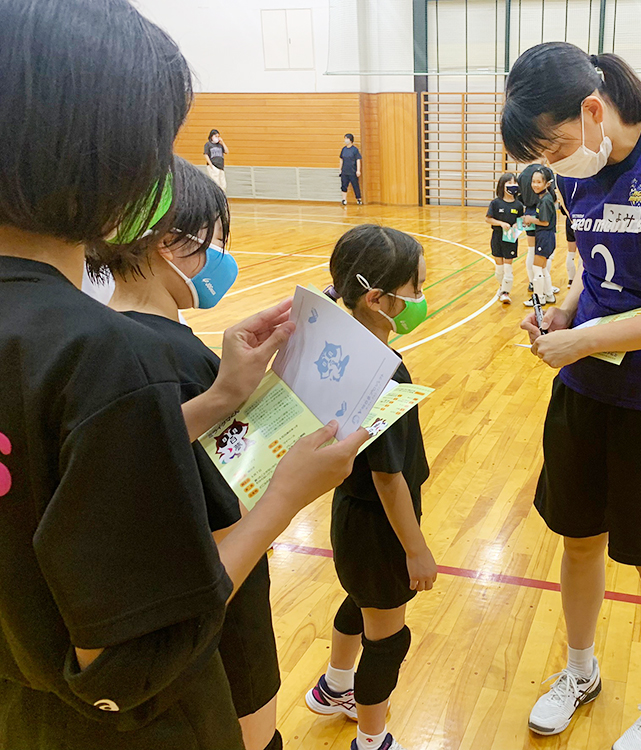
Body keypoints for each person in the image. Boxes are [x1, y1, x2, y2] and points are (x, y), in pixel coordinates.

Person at [0, 3, 367, 748]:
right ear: (102, 154)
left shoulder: (50, 340)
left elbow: (58, 472)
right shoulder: (100, 355)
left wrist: (220, 399)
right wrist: (286, 497)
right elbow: (123, 660)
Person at [502, 42, 641, 750]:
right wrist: (566, 314)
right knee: (577, 542)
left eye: (560, 143)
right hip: (585, 389)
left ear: (594, 110)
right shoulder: (576, 175)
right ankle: (579, 671)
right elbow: (589, 272)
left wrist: (585, 340)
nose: (558, 161)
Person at [101, 157, 282, 750]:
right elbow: (238, 496)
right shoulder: (179, 362)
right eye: (208, 243)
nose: (217, 259)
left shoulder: (99, 341)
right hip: (219, 610)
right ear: (167, 245)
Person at [306, 225, 434, 750]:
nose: (422, 300)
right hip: (380, 527)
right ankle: (372, 736)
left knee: (360, 601)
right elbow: (388, 476)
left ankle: (335, 686)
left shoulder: (335, 344)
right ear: (378, 298)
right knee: (388, 638)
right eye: (416, 290)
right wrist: (417, 548)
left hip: (348, 514)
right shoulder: (387, 372)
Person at [486, 172, 524, 304]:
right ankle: (501, 287)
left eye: (515, 183)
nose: (512, 186)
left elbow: (521, 221)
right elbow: (488, 219)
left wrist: (516, 225)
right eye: (509, 183)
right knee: (499, 268)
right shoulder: (495, 203)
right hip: (497, 237)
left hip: (511, 239)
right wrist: (501, 224)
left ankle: (506, 292)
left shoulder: (518, 205)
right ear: (502, 186)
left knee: (508, 266)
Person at [522, 166, 558, 306]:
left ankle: (539, 298)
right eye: (533, 181)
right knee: (542, 269)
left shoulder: (546, 200)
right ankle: (549, 295)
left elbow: (545, 222)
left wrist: (530, 219)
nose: (535, 185)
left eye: (538, 182)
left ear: (547, 184)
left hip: (545, 237)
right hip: (545, 237)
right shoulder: (543, 198)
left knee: (537, 268)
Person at [518, 162, 546, 291]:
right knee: (544, 253)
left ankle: (532, 282)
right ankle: (544, 284)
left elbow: (519, 197)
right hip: (543, 213)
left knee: (531, 250)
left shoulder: (523, 174)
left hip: (528, 212)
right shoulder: (544, 172)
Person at [556, 174, 579, 284]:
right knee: (583, 255)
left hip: (570, 219)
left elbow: (562, 204)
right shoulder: (583, 173)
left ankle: (571, 280)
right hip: (582, 219)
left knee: (571, 253)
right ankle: (581, 281)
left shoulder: (560, 176)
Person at [341, 134, 363, 205]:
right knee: (344, 185)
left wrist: (358, 170)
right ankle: (344, 200)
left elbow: (358, 160)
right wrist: (340, 169)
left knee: (355, 186)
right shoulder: (343, 149)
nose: (345, 140)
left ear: (350, 140)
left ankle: (358, 199)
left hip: (352, 171)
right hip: (345, 171)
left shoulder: (355, 150)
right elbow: (341, 159)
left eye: (347, 139)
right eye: (345, 139)